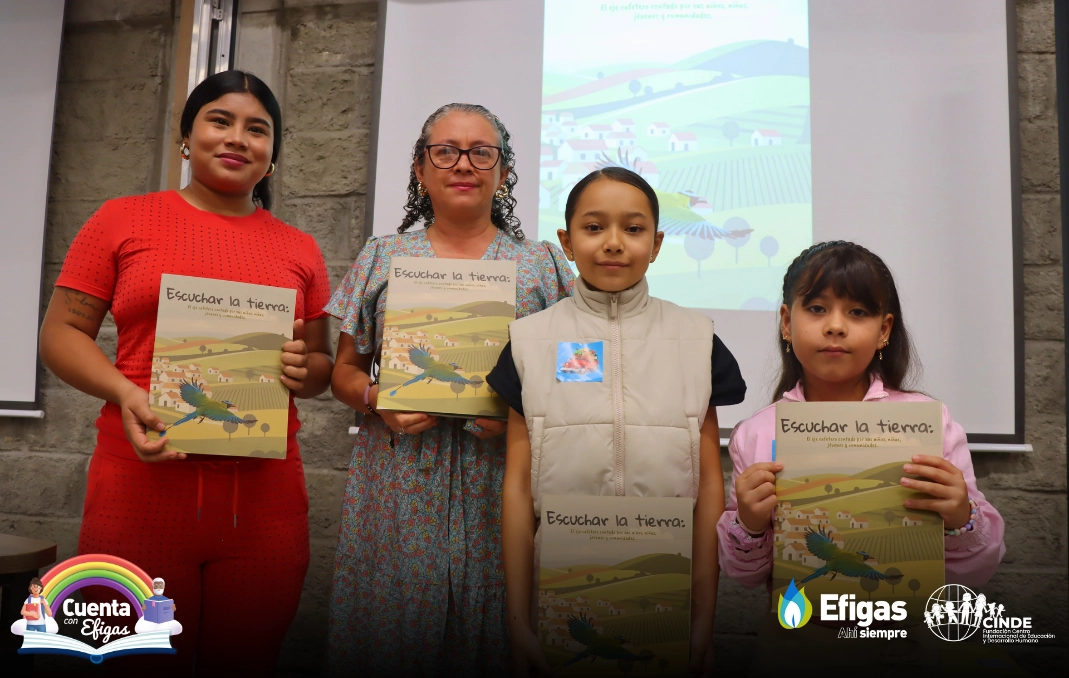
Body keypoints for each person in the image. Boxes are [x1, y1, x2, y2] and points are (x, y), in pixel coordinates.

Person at [38, 70, 334, 675]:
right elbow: (60, 334)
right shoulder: (121, 219)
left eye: (257, 129)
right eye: (220, 120)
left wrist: (306, 371)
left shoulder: (300, 247)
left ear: (272, 154)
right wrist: (124, 390)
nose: (237, 138)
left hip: (265, 504)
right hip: (136, 488)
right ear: (186, 136)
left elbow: (320, 365)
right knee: (122, 660)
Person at [324, 103, 573, 676]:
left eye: (482, 153)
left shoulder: (542, 265)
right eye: (446, 152)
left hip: (502, 483)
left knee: (498, 635)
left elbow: (575, 375)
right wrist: (378, 400)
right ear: (420, 168)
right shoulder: (382, 256)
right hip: (398, 486)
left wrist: (522, 418)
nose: (464, 164)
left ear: (503, 171)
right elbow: (344, 372)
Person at [489, 167, 747, 676]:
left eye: (633, 228)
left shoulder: (697, 340)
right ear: (566, 242)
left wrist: (703, 620)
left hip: (667, 592)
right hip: (560, 592)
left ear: (656, 244)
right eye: (593, 227)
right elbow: (517, 486)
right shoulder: (529, 341)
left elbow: (709, 486)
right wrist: (519, 622)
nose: (613, 243)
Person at [719, 241, 1004, 591]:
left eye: (857, 312)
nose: (836, 326)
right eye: (817, 308)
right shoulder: (757, 433)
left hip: (904, 624)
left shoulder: (929, 424)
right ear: (787, 323)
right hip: (799, 625)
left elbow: (977, 569)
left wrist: (960, 517)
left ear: (884, 331)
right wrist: (749, 524)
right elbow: (743, 575)